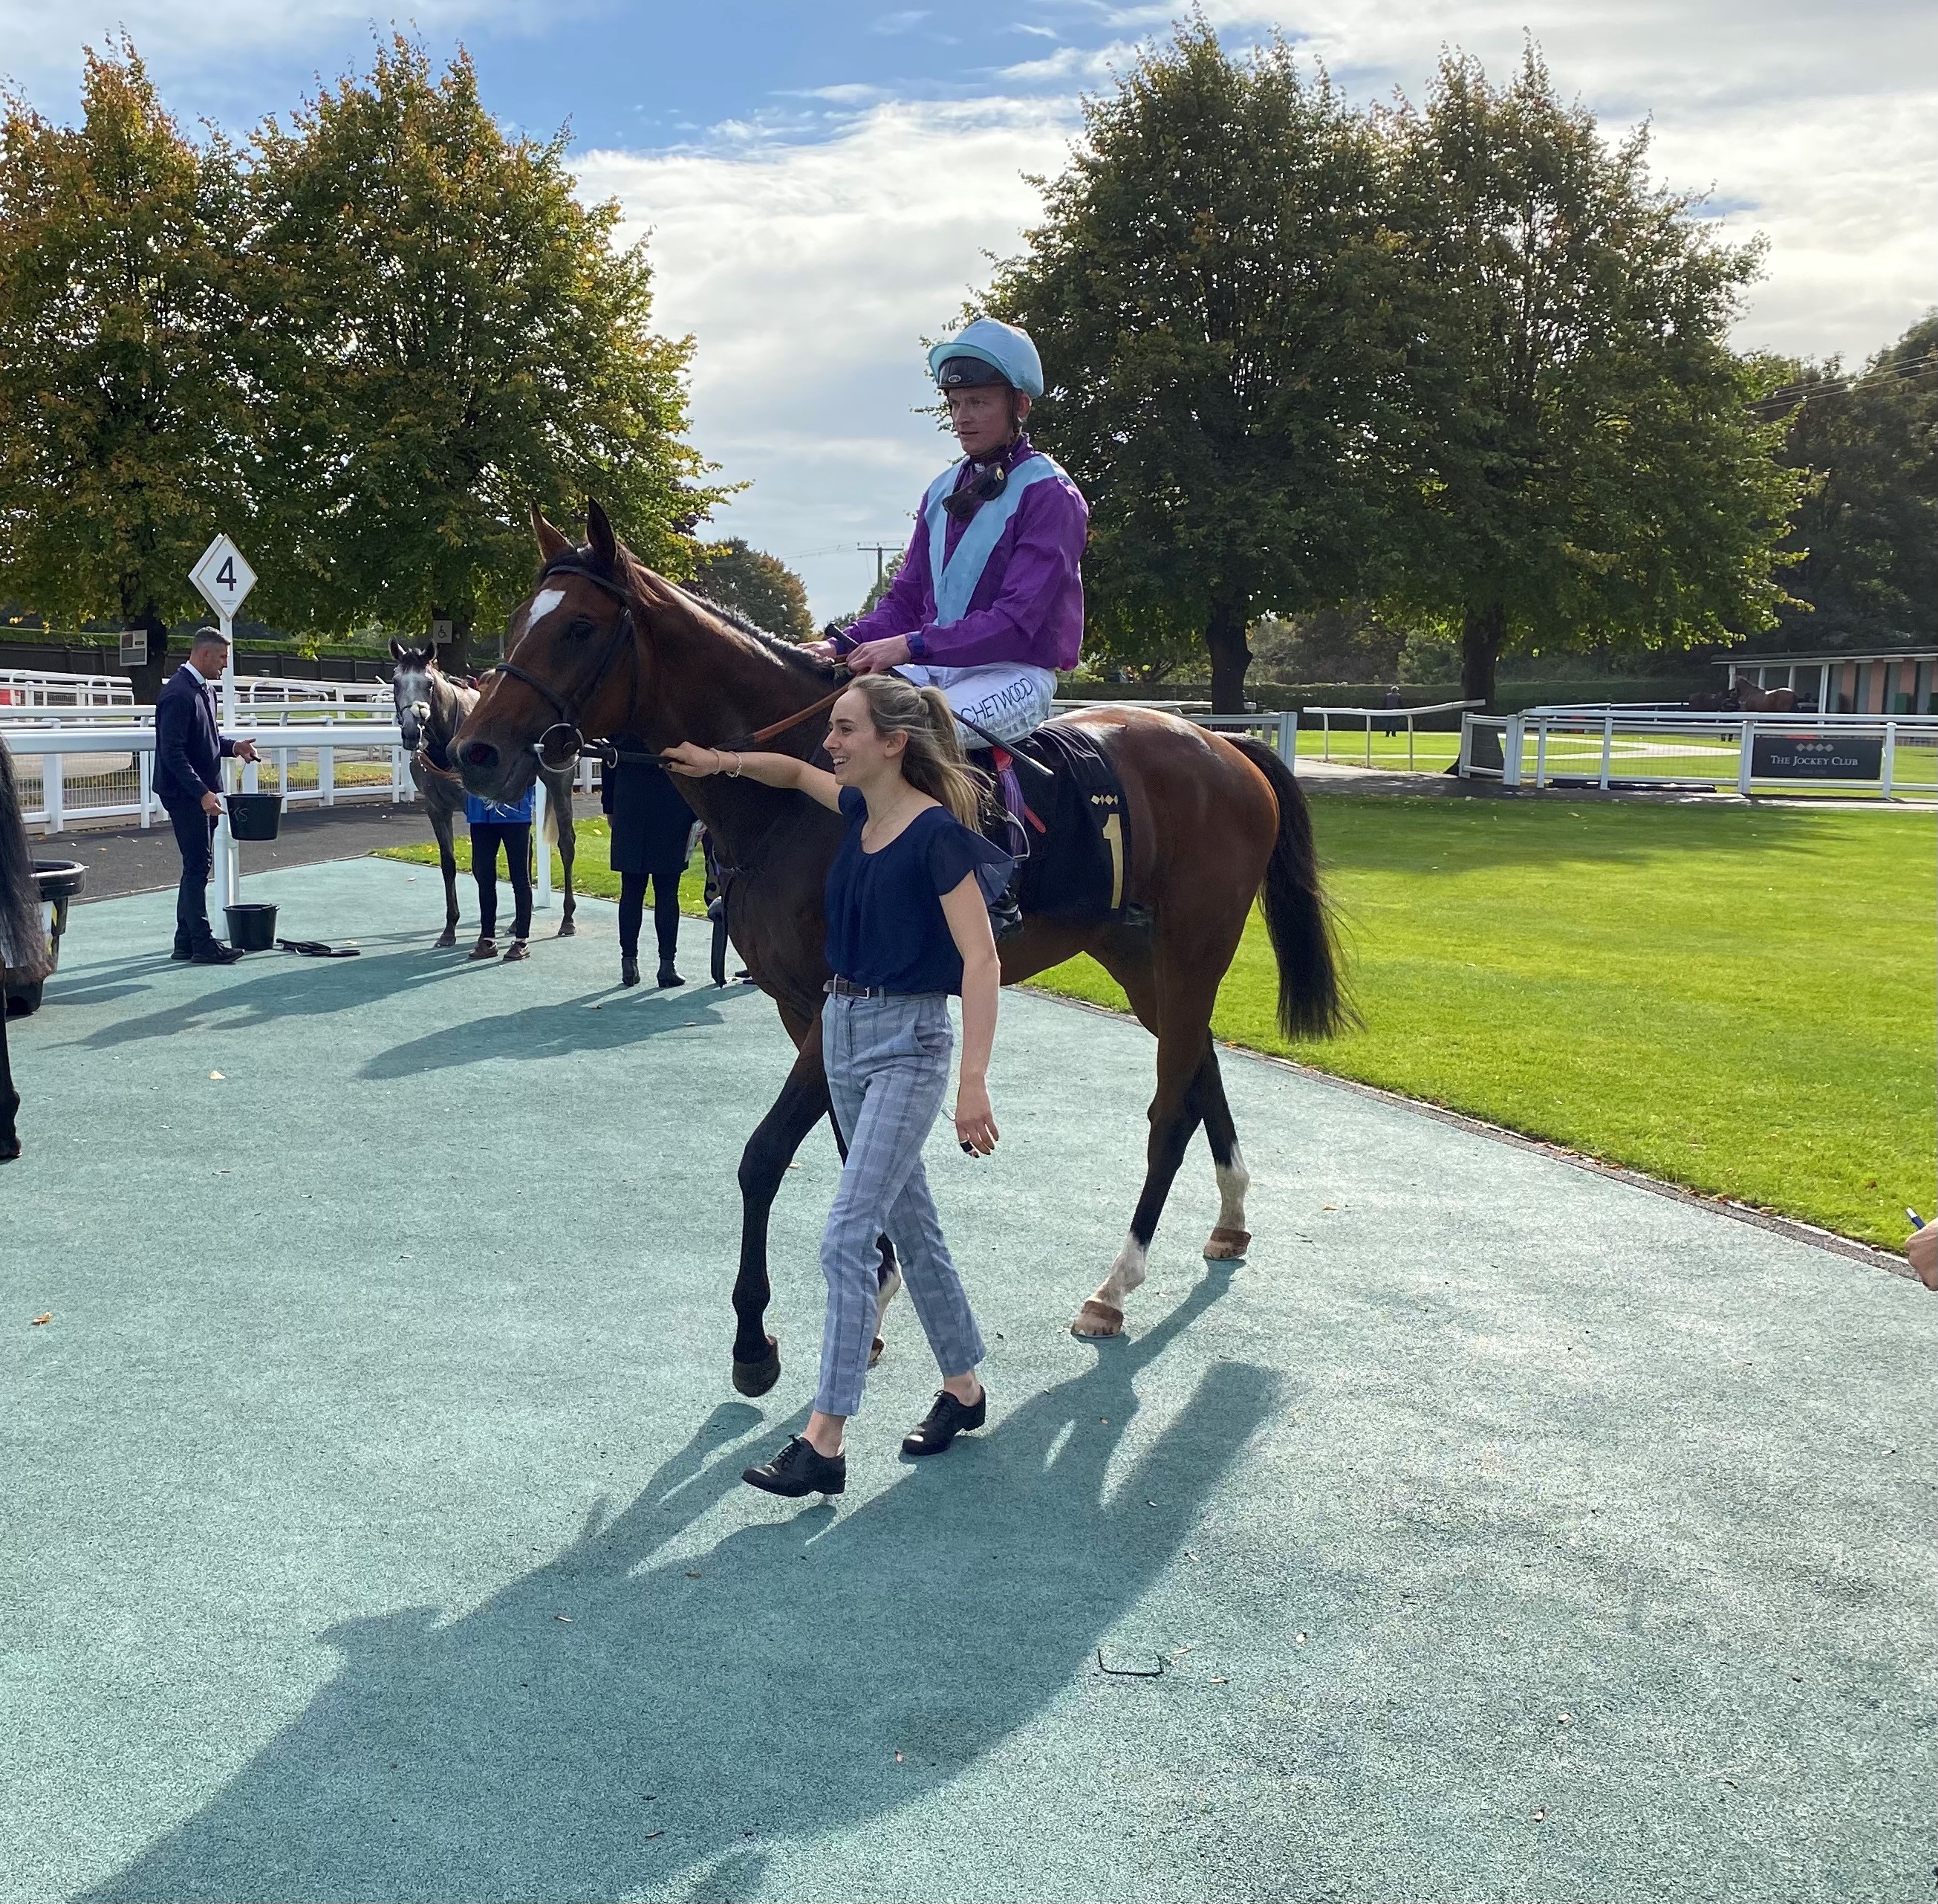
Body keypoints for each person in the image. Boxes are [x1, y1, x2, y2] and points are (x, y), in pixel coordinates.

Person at [664, 672, 1012, 1498]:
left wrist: (972, 1084)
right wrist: (718, 761)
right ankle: (963, 1389)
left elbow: (982, 959)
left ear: (892, 743)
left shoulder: (935, 838)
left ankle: (824, 1438)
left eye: (845, 729)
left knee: (845, 1237)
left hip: (908, 1044)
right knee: (911, 1226)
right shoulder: (859, 812)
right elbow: (786, 773)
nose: (830, 742)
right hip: (844, 1032)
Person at [814, 316, 1087, 751]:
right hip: (934, 665)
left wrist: (911, 645)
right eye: (956, 404)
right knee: (825, 707)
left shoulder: (1051, 494)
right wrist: (837, 646)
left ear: (1020, 406)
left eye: (977, 402)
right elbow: (905, 602)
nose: (963, 418)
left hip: (1012, 673)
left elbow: (1016, 623)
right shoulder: (941, 489)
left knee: (909, 739)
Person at [152, 627, 259, 964]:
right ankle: (201, 943)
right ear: (204, 655)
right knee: (197, 866)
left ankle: (185, 941)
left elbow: (206, 740)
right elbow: (172, 753)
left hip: (198, 791)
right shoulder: (179, 695)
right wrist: (201, 793)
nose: (226, 665)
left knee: (196, 866)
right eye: (223, 658)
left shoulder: (203, 690)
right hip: (186, 794)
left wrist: (233, 747)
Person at [601, 738, 695, 988]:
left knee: (631, 891)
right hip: (671, 806)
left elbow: (609, 760)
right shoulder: (672, 718)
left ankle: (629, 962)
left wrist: (610, 806)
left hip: (630, 805)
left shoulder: (623, 725)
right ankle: (667, 965)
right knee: (667, 893)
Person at [466, 778, 534, 963]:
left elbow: (532, 772)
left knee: (520, 878)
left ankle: (521, 941)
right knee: (485, 878)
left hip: (515, 813)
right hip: (480, 814)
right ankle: (487, 938)